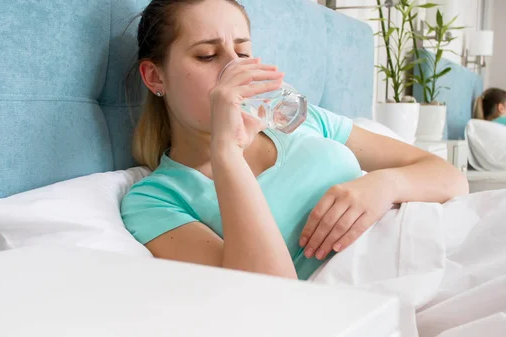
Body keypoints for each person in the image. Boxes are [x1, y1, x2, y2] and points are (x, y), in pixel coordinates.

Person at [121, 0, 469, 280]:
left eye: (242, 53)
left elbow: (451, 178)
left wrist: (383, 185)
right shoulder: (155, 201)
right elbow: (268, 301)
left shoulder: (306, 121)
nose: (235, 69)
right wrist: (227, 153)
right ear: (155, 77)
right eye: (207, 56)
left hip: (440, 245)